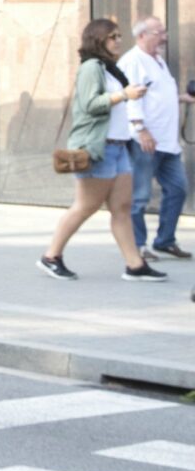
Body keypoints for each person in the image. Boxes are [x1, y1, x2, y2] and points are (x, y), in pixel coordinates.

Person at [38, 19, 163, 282]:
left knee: (122, 207)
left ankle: (135, 265)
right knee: (85, 206)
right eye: (112, 37)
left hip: (118, 148)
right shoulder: (91, 68)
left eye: (118, 36)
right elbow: (90, 104)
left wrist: (129, 95)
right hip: (98, 149)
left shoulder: (110, 68)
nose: (118, 40)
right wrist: (125, 95)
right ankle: (51, 257)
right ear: (97, 40)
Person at [119, 16, 194, 261]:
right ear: (142, 35)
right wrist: (140, 129)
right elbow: (130, 97)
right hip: (146, 141)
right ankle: (138, 247)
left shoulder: (158, 60)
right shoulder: (132, 61)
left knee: (178, 189)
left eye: (164, 31)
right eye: (159, 32)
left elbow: (157, 94)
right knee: (139, 196)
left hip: (168, 143)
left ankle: (164, 240)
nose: (164, 36)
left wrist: (182, 98)